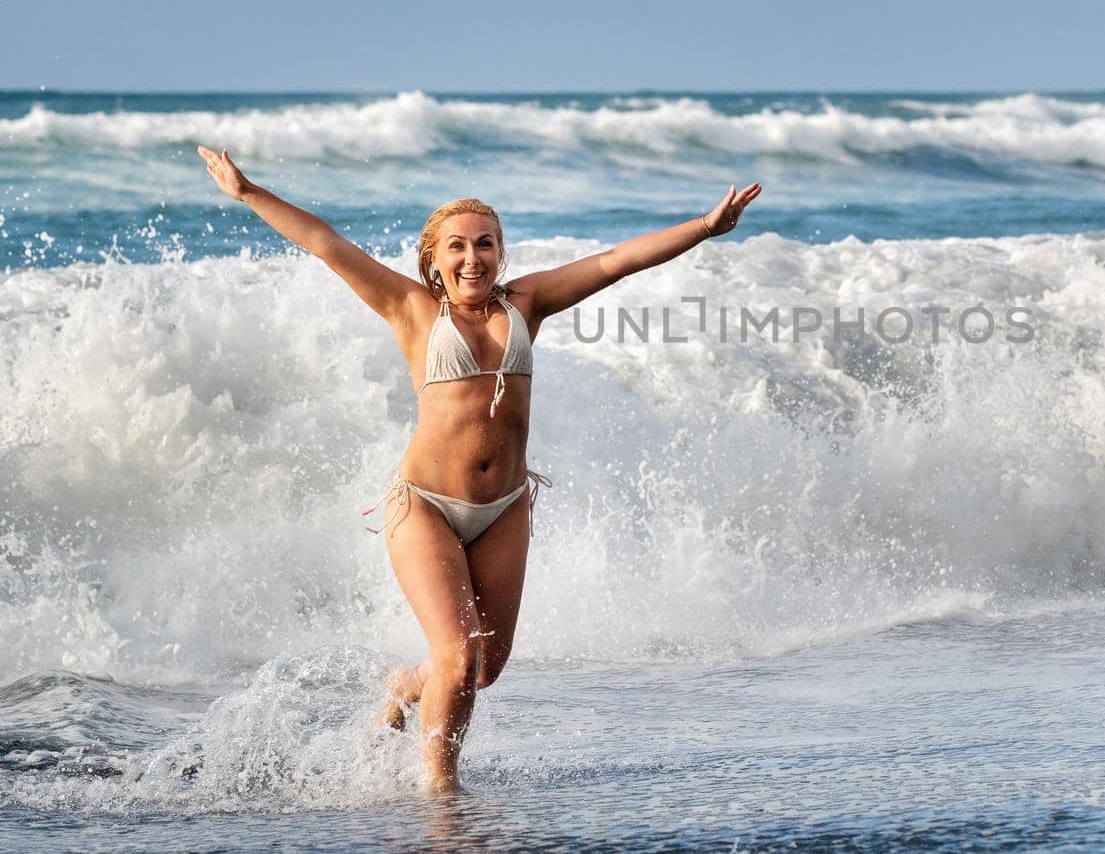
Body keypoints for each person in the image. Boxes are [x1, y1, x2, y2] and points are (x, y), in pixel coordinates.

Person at [197, 144, 761, 793]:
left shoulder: (528, 303)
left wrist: (704, 227)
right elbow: (326, 243)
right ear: (433, 261)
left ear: (501, 252)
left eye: (486, 244)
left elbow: (618, 261)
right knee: (460, 656)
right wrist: (247, 192)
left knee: (483, 665)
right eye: (458, 247)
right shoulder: (411, 307)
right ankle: (441, 791)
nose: (473, 257)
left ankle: (408, 685)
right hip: (426, 506)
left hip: (504, 508)